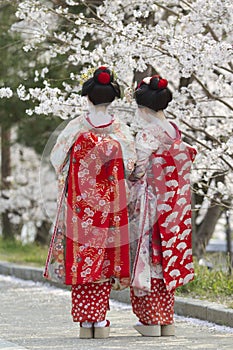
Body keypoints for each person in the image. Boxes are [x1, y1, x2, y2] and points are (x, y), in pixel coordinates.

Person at [44, 66, 136, 339]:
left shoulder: (76, 127)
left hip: (81, 205)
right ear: (113, 99)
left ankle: (86, 321)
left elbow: (56, 160)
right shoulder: (120, 130)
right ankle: (101, 320)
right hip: (109, 204)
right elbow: (131, 166)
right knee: (105, 255)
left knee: (84, 255)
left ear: (87, 98)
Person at [129, 75, 196, 337]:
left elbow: (138, 170)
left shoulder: (148, 133)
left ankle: (151, 320)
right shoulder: (174, 130)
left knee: (150, 256)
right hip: (175, 206)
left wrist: (128, 173)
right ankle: (167, 319)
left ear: (143, 108)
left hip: (152, 204)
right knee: (169, 255)